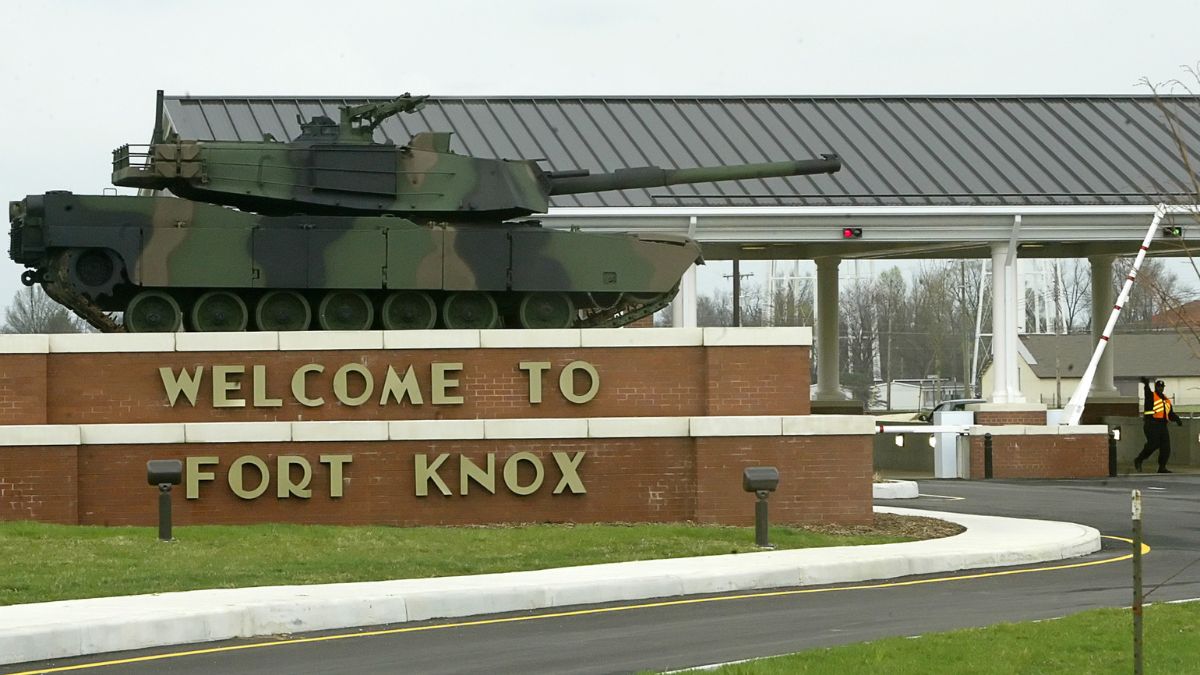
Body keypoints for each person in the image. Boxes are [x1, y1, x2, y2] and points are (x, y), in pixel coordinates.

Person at [1134, 377, 1183, 473]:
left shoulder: (1166, 400)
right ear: (1156, 387)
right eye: (1159, 386)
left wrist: (1177, 419)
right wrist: (1146, 385)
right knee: (1153, 444)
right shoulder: (1151, 396)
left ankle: (1162, 467)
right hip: (1151, 424)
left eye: (1162, 387)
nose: (1160, 388)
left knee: (1166, 447)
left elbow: (1170, 413)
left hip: (1162, 426)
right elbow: (1147, 392)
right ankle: (1139, 459)